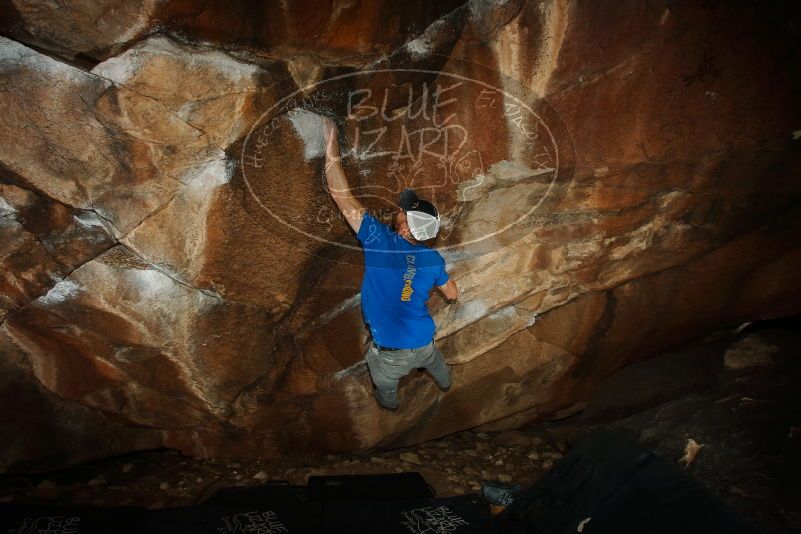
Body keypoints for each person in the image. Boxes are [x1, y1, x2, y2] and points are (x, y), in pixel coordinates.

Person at [321, 116, 458, 411]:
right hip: (423, 342)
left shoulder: (379, 241)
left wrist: (331, 147)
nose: (399, 209)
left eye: (403, 212)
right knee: (434, 361)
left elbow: (341, 196)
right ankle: (446, 382)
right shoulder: (432, 258)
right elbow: (452, 294)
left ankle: (390, 405)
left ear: (407, 229)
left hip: (390, 354)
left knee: (385, 383)